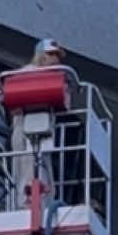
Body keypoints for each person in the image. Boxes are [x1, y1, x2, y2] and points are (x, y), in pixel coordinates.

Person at [8, 38, 69, 209]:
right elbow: (6, 96)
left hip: (44, 133)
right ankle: (26, 204)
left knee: (44, 169)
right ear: (41, 56)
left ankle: (44, 203)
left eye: (57, 55)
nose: (55, 59)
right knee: (27, 167)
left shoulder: (56, 78)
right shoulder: (27, 72)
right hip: (25, 130)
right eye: (51, 54)